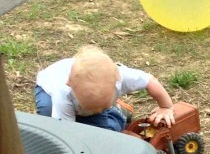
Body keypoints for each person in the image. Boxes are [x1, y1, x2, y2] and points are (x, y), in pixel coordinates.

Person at [35, 46, 175, 132]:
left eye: (100, 106)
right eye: (93, 107)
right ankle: (77, 116)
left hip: (80, 105)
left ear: (117, 81)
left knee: (107, 133)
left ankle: (117, 111)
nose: (96, 110)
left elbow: (150, 81)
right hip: (47, 91)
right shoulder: (63, 92)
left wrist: (166, 106)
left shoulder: (123, 76)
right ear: (69, 84)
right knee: (50, 115)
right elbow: (67, 132)